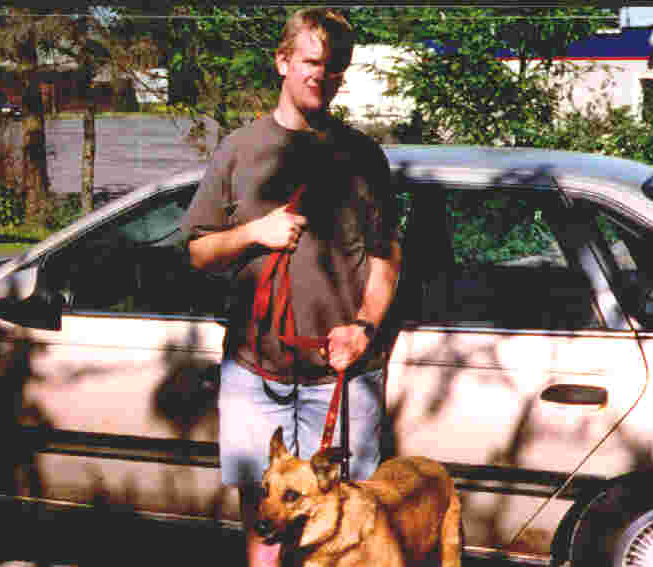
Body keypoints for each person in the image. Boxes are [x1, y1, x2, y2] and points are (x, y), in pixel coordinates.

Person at [180, 8, 402, 566]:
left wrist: (364, 327)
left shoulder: (363, 157)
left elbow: (386, 257)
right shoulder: (239, 148)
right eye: (311, 63)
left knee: (346, 531)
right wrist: (256, 232)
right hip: (256, 369)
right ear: (282, 61)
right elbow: (199, 251)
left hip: (341, 374)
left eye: (334, 69)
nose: (321, 78)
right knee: (266, 519)